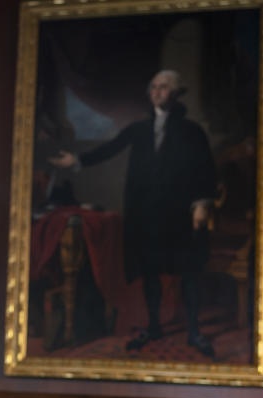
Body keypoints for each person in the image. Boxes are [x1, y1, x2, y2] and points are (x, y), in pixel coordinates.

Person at [49, 70, 217, 358]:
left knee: (188, 272)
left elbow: (206, 170)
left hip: (180, 214)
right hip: (147, 213)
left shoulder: (192, 131)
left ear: (177, 93)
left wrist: (202, 203)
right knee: (150, 272)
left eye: (164, 87)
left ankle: (193, 330)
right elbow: (111, 148)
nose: (157, 91)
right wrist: (76, 160)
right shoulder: (139, 128)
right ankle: (154, 326)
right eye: (154, 87)